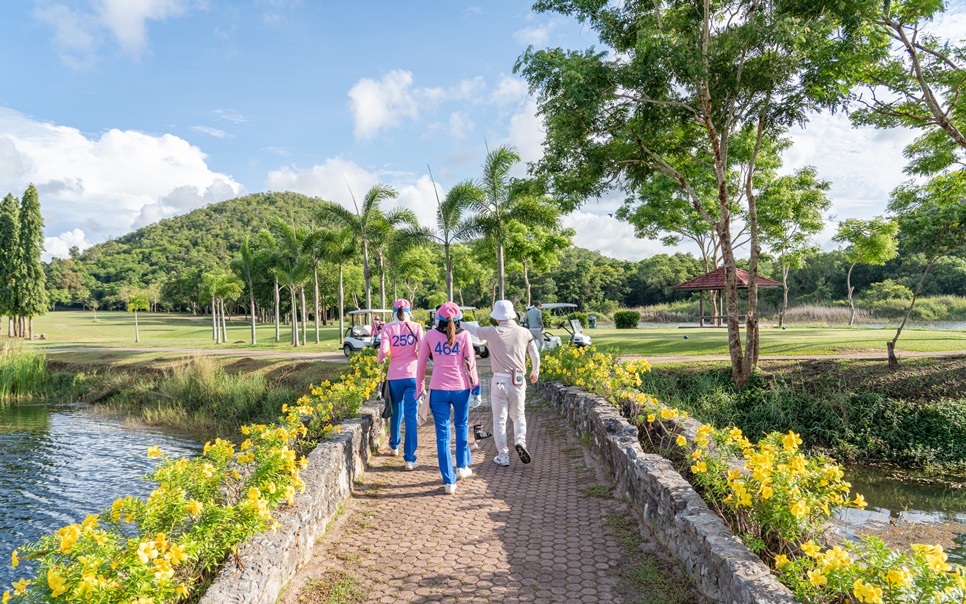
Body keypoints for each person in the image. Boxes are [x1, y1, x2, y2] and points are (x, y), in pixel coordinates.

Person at [461, 300, 540, 467]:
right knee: (519, 417)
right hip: (517, 380)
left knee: (499, 420)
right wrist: (535, 371)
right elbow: (535, 353)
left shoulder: (492, 331)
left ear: (497, 317)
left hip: (498, 380)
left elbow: (473, 329)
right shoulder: (525, 332)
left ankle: (503, 455)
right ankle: (521, 443)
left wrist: (457, 321)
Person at [416, 302, 479, 495]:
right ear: (458, 318)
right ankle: (461, 467)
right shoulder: (465, 335)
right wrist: (476, 386)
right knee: (462, 425)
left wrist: (419, 389)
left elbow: (420, 365)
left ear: (438, 318)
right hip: (461, 388)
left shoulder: (430, 335)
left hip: (438, 389)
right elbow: (471, 362)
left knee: (442, 435)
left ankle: (449, 481)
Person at [377, 299, 424, 470]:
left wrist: (378, 360)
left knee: (396, 412)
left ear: (393, 311)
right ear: (409, 311)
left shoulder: (388, 328)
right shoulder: (417, 326)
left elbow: (383, 351)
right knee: (411, 416)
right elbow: (423, 349)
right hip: (413, 375)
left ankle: (394, 445)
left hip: (394, 376)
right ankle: (410, 458)